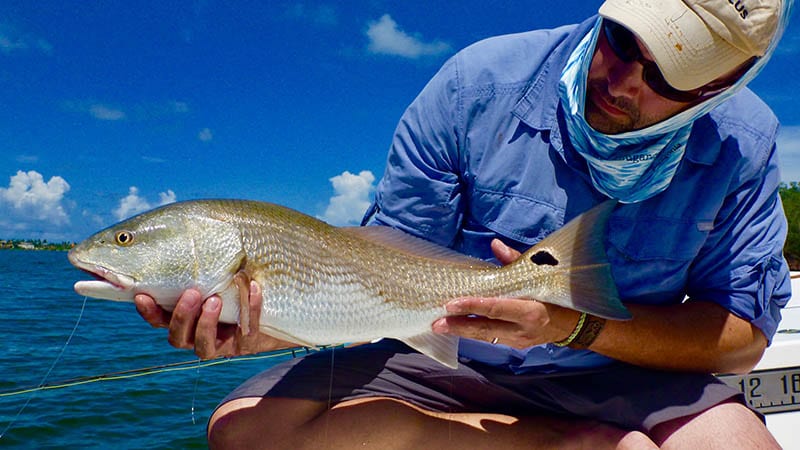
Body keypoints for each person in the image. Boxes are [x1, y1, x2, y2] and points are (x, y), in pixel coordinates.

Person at [135, 0, 794, 448]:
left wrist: (572, 325)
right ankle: (558, 444)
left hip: (624, 371)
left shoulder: (745, 146)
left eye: (669, 77)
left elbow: (739, 341)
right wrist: (268, 326)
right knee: (243, 429)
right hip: (444, 356)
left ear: (724, 85)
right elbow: (373, 268)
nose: (621, 81)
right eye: (621, 39)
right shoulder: (477, 84)